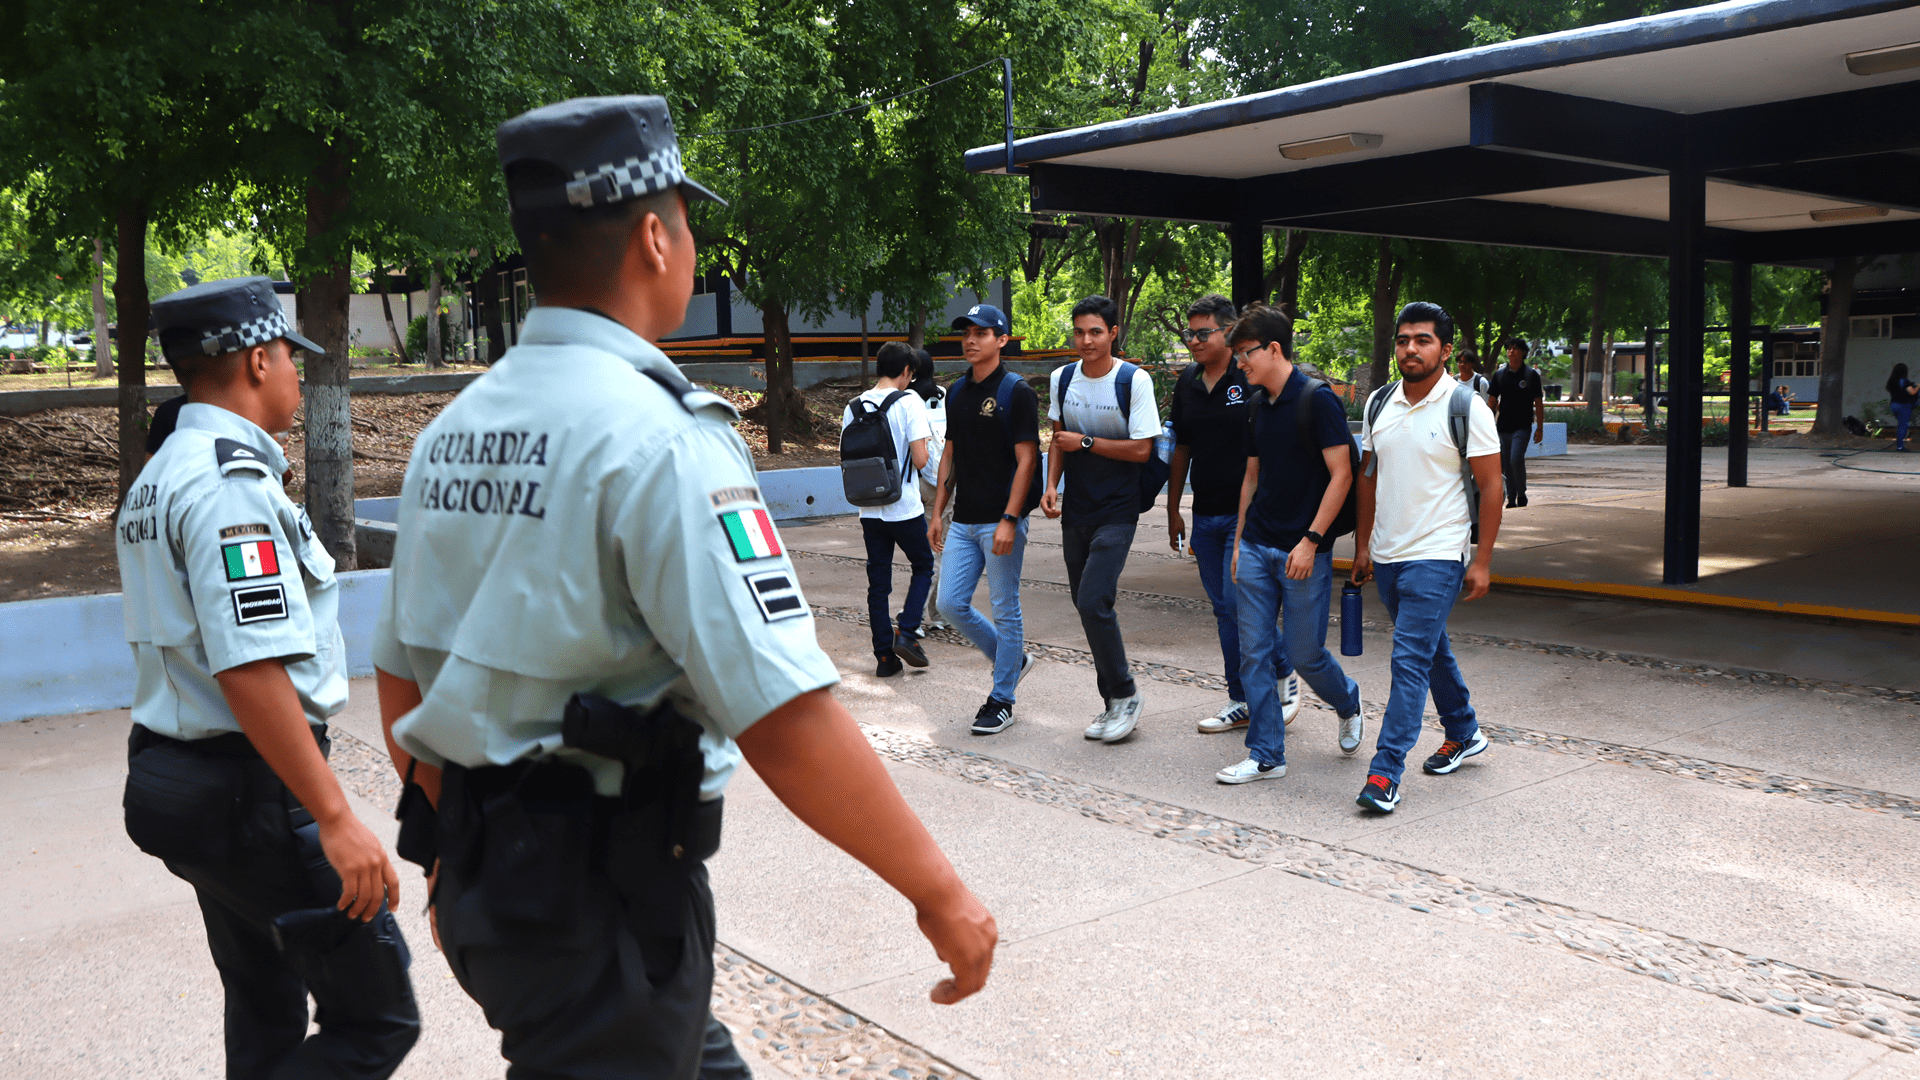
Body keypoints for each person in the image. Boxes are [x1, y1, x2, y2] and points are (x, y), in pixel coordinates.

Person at [374, 96, 996, 1078]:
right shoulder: (663, 437)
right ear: (656, 239)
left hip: (505, 892)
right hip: (601, 903)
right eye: (690, 221)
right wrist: (938, 891)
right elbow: (783, 710)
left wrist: (449, 860)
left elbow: (402, 676)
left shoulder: (451, 432)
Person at [117, 276, 420, 1079]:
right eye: (290, 352)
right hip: (253, 793)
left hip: (182, 777)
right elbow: (248, 665)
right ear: (257, 359)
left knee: (265, 1008)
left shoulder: (161, 472)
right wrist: (334, 815)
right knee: (379, 1017)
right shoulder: (225, 486)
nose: (295, 369)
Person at [1352, 301, 1503, 814]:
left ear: (1443, 349)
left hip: (1439, 552)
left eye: (1422, 340)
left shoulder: (1466, 406)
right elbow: (1368, 478)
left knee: (1409, 659)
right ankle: (1463, 731)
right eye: (1403, 340)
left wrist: (1480, 560)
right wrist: (1364, 546)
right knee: (1430, 647)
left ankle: (1384, 773)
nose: (1410, 348)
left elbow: (1491, 486)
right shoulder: (1378, 403)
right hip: (1390, 553)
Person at [1215, 304, 1364, 784]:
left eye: (1245, 354)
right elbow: (1251, 477)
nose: (1240, 364)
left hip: (1305, 551)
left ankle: (1347, 699)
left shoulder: (1317, 400)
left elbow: (1342, 475)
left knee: (1305, 654)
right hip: (1258, 546)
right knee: (1254, 653)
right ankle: (1266, 754)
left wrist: (1312, 539)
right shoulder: (1257, 405)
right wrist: (1239, 542)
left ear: (1273, 349)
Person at [1165, 293, 1297, 735]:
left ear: (1228, 331)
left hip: (1247, 516)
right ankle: (1241, 698)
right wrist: (1173, 508)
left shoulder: (1251, 378)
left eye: (1204, 333)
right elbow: (1181, 446)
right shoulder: (1187, 382)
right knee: (1225, 609)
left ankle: (1280, 672)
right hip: (1205, 516)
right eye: (1190, 333)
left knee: (1236, 603)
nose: (1194, 341)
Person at [1043, 294, 1161, 744]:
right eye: (1079, 331)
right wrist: (1051, 485)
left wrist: (1087, 443)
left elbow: (1142, 449)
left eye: (1095, 331)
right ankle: (1112, 700)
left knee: (1094, 599)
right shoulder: (1062, 378)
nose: (1086, 340)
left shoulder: (1134, 380)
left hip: (1119, 508)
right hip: (1077, 507)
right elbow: (1058, 440)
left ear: (1113, 333)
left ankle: (1127, 694)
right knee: (1084, 604)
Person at [931, 303, 1040, 734]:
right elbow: (950, 453)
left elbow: (1028, 458)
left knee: (1004, 608)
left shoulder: (1016, 391)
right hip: (964, 519)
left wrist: (1011, 519)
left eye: (981, 332)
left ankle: (1002, 699)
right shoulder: (956, 391)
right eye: (966, 333)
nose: (971, 340)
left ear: (1002, 340)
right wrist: (938, 511)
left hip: (1000, 519)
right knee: (949, 603)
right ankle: (1012, 660)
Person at [842, 341, 934, 676]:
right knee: (923, 565)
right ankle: (907, 632)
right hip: (904, 506)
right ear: (907, 371)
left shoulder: (853, 406)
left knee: (878, 584)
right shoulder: (910, 401)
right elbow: (922, 459)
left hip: (869, 509)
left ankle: (884, 658)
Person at [911, 347, 952, 630]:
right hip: (947, 480)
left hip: (921, 481)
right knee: (942, 550)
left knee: (929, 554)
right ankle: (936, 614)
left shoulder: (907, 399)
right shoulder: (944, 394)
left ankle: (914, 618)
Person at [1487, 337, 1545, 508]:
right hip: (1503, 426)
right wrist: (1486, 421)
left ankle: (1521, 492)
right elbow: (1491, 401)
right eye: (1509, 348)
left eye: (1515, 348)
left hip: (1522, 426)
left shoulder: (1530, 375)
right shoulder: (1499, 375)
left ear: (1524, 352)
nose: (1511, 351)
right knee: (1505, 463)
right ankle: (1511, 497)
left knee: (1515, 458)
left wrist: (1539, 428)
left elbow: (1539, 404)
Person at [1887, 363, 1915, 452]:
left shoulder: (1891, 381)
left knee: (1901, 425)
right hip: (1903, 405)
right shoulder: (1904, 381)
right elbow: (1912, 392)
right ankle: (1899, 446)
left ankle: (1899, 444)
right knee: (1903, 425)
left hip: (1894, 405)